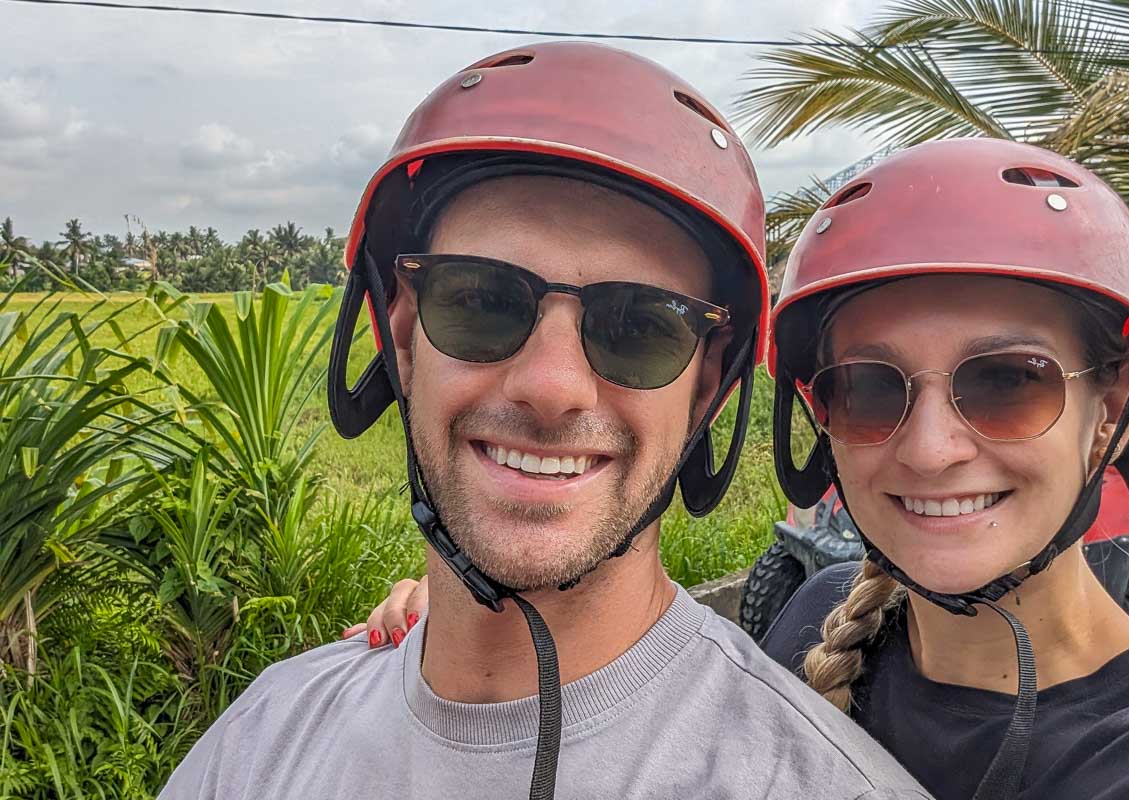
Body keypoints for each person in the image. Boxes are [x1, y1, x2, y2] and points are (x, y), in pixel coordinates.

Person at [158, 42, 929, 800]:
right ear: (399, 334)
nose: (553, 387)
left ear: (706, 387)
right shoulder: (264, 736)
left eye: (640, 326)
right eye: (481, 301)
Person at [361, 138, 1129, 800]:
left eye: (1009, 381)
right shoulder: (817, 614)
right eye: (869, 388)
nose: (931, 447)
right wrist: (492, 616)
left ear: (1111, 410)